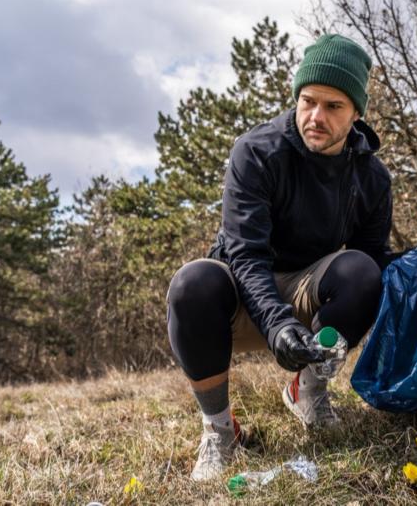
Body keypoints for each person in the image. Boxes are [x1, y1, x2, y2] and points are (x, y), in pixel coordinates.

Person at [165, 33, 400, 481]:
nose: (316, 116)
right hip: (238, 294)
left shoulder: (372, 178)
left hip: (309, 293)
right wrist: (275, 322)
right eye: (309, 101)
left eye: (334, 107)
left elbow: (374, 261)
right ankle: (219, 430)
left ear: (356, 114)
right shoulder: (255, 152)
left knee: (363, 272)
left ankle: (307, 390)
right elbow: (245, 253)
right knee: (191, 284)